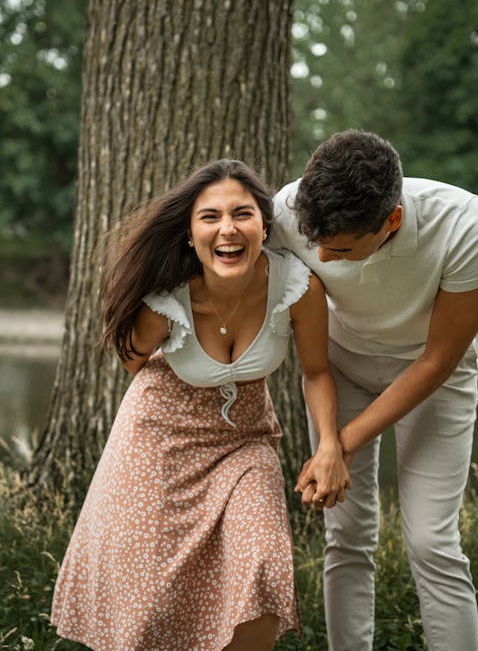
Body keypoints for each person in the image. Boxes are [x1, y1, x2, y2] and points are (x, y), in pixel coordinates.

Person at [51, 159, 350, 651]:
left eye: (242, 214)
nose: (227, 229)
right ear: (190, 234)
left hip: (244, 442)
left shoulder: (298, 287)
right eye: (209, 217)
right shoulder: (163, 301)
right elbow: (133, 363)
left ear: (263, 225)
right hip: (158, 438)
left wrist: (329, 445)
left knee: (263, 561)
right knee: (148, 593)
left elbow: (316, 371)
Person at [270, 129, 478, 651]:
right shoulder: (289, 210)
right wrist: (330, 439)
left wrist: (338, 446)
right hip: (339, 367)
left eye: (341, 248)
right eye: (315, 244)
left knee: (432, 542)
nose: (323, 257)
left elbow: (439, 359)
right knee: (346, 536)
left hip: (432, 373)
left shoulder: (467, 225)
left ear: (391, 220)